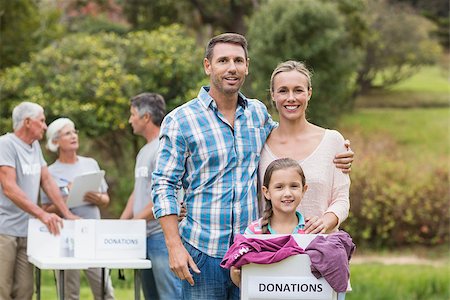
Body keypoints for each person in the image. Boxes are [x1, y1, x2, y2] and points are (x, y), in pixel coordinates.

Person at [151, 33, 353, 299]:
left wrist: (343, 153)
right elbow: (164, 184)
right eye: (223, 60)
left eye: (238, 60)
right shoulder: (181, 120)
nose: (231, 68)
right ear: (207, 66)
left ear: (247, 66)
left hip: (255, 252)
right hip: (202, 252)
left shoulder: (257, 116)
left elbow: (288, 145)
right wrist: (173, 245)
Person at [258, 60, 351, 234]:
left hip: (320, 250)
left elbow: (342, 199)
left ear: (309, 93)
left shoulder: (332, 141)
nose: (291, 98)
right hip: (270, 251)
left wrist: (325, 222)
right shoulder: (260, 143)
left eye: (298, 90)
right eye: (283, 91)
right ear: (272, 95)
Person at [0, 102, 78, 300]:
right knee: (2, 290)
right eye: (41, 120)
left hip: (27, 230)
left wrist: (66, 214)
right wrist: (42, 214)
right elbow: (9, 188)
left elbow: (47, 181)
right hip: (4, 231)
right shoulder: (5, 144)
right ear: (27, 122)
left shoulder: (34, 147)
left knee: (25, 291)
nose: (45, 126)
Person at [41, 117, 115, 300]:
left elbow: (106, 200)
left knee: (105, 292)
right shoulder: (50, 172)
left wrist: (96, 197)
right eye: (68, 133)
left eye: (74, 132)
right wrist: (67, 194)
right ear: (56, 141)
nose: (74, 136)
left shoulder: (90, 164)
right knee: (69, 294)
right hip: (66, 238)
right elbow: (46, 209)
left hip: (92, 234)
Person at [120, 93, 182, 300]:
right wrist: (122, 222)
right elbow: (138, 191)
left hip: (160, 237)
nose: (130, 120)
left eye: (132, 115)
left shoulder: (163, 147)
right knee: (151, 296)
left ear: (146, 117)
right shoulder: (144, 151)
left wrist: (135, 221)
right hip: (142, 236)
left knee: (169, 295)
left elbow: (167, 193)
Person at [231, 157, 308, 286]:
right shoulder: (253, 231)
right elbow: (240, 278)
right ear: (267, 192)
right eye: (279, 187)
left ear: (304, 190)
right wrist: (237, 273)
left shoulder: (311, 230)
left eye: (294, 186)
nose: (287, 193)